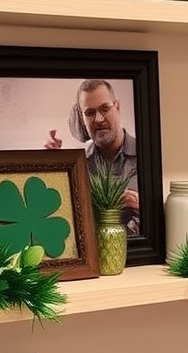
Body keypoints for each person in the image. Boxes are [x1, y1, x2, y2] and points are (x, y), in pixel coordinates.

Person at [47, 78, 139, 235]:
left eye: (105, 109)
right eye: (90, 113)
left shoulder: (147, 156)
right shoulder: (78, 165)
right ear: (82, 118)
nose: (99, 119)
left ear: (117, 107)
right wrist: (53, 170)